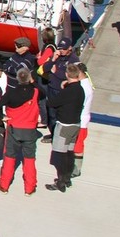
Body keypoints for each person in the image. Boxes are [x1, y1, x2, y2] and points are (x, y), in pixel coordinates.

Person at [0, 68, 43, 196]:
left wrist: (2, 117)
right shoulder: (36, 91)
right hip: (30, 130)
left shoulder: (11, 93)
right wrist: (33, 82)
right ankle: (30, 188)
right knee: (30, 158)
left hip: (14, 129)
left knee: (9, 157)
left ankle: (4, 185)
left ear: (17, 78)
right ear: (29, 78)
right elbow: (44, 93)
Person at [44, 63, 86, 192]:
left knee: (60, 155)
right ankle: (67, 178)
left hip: (64, 126)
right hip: (75, 125)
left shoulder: (67, 91)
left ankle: (61, 182)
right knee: (69, 152)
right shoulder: (80, 89)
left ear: (67, 75)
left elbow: (52, 103)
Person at [38, 37, 79, 143]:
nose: (61, 51)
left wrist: (55, 72)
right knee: (51, 114)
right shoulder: (57, 57)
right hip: (51, 89)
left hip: (62, 91)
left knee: (59, 115)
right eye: (60, 48)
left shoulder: (74, 60)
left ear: (69, 48)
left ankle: (57, 136)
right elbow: (45, 68)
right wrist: (53, 60)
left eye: (63, 49)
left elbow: (68, 76)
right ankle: (53, 134)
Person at [71, 63, 94, 179]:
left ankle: (76, 169)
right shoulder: (85, 83)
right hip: (82, 119)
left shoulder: (84, 88)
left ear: (79, 72)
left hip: (81, 121)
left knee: (78, 146)